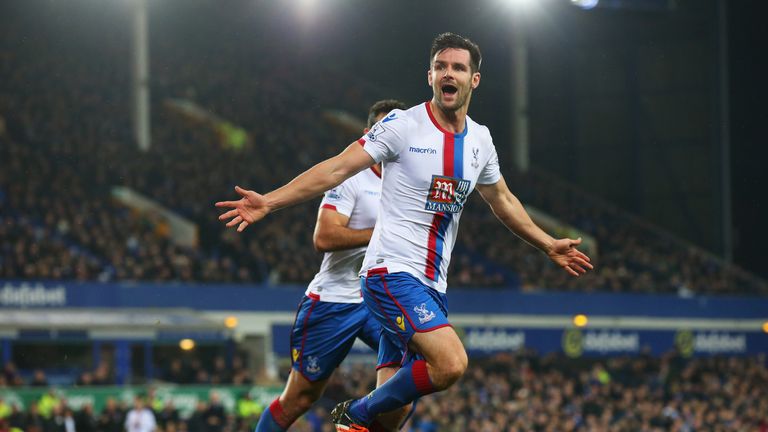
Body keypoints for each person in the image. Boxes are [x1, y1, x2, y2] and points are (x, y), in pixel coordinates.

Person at [216, 33, 593, 431]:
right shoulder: (402, 125)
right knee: (450, 363)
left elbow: (503, 199)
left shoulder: (480, 140)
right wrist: (270, 201)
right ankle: (353, 412)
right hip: (390, 274)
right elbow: (337, 168)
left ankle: (365, 417)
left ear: (474, 80)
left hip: (432, 284)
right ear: (430, 76)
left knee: (393, 415)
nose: (449, 74)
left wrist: (548, 243)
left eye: (459, 68)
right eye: (441, 67)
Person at [253, 100, 412, 432]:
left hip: (380, 299)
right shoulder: (352, 178)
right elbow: (324, 237)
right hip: (334, 301)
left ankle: (357, 419)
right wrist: (382, 233)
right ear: (370, 134)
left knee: (409, 380)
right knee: (299, 398)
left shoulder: (410, 183)